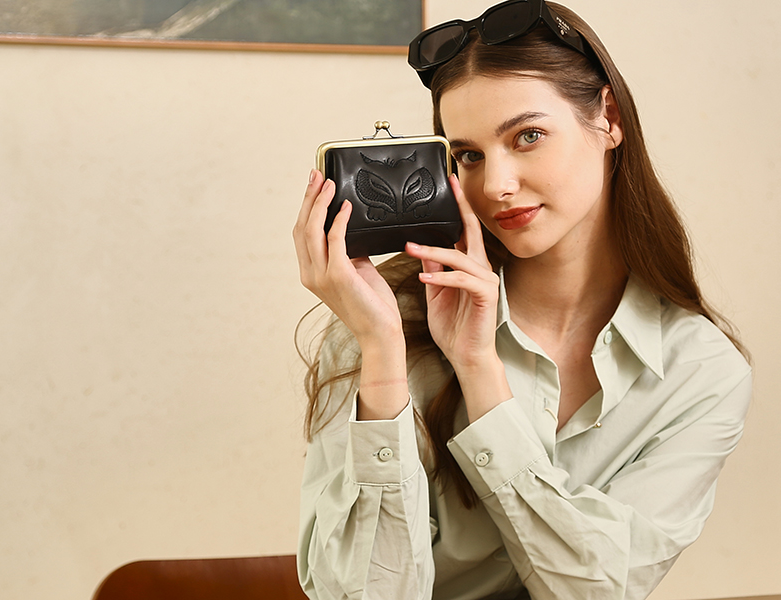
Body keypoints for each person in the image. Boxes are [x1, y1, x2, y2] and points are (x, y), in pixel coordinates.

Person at [291, 2, 752, 598]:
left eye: (528, 136)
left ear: (608, 118)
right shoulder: (380, 326)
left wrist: (481, 372)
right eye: (469, 155)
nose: (496, 185)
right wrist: (380, 354)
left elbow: (592, 591)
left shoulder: (700, 371)